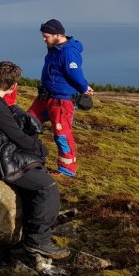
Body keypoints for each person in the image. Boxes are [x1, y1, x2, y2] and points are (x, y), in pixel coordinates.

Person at [0, 62, 68, 259]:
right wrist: (40, 149)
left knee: (37, 178)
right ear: (13, 86)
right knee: (47, 186)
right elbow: (16, 135)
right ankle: (38, 240)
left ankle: (33, 229)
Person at [27, 19, 93, 178]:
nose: (44, 38)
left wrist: (84, 87)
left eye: (46, 36)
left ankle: (67, 170)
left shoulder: (68, 52)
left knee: (62, 134)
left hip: (61, 101)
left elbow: (75, 74)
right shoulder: (54, 48)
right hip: (45, 97)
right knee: (27, 121)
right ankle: (27, 157)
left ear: (58, 35)